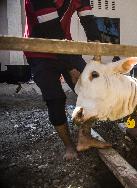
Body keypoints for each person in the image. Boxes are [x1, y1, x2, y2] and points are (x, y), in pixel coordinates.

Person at [24, 0, 111, 160]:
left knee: (91, 88)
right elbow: (51, 31)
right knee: (55, 99)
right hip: (39, 51)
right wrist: (71, 68)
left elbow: (88, 21)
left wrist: (96, 55)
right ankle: (69, 146)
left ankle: (84, 137)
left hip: (67, 47)